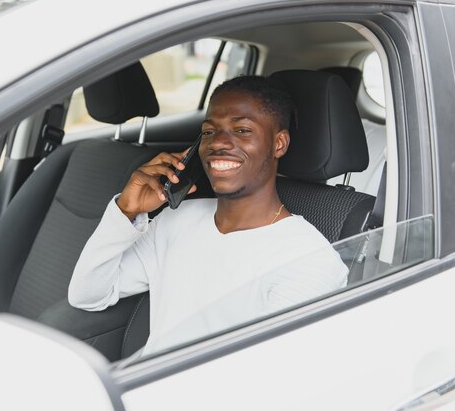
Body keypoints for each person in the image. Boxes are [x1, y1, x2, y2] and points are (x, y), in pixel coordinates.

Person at [68, 76, 348, 355]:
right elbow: (88, 295)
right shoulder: (177, 219)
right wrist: (126, 210)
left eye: (241, 130)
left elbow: (268, 381)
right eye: (209, 132)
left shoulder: (308, 259)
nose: (218, 143)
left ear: (279, 144)